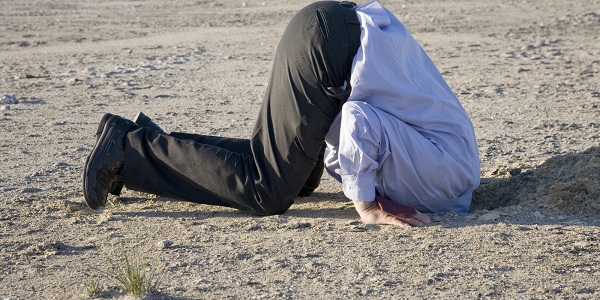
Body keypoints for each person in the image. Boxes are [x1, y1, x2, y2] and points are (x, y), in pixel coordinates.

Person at [83, 0, 480, 227]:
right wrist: (368, 206)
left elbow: (353, 136)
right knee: (267, 189)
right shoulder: (441, 184)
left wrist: (360, 180)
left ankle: (147, 143)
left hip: (330, 37)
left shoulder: (450, 172)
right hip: (330, 52)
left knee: (292, 181)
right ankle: (129, 150)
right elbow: (360, 120)